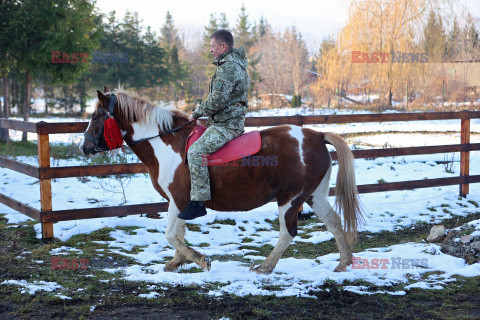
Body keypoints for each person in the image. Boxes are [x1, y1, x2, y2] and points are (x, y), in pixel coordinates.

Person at [178, 29, 250, 220]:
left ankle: (198, 203)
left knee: (195, 152)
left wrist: (197, 112)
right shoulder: (233, 65)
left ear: (223, 46)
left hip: (226, 125)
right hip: (224, 122)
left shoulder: (228, 67)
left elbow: (217, 101)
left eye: (212, 46)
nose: (210, 50)